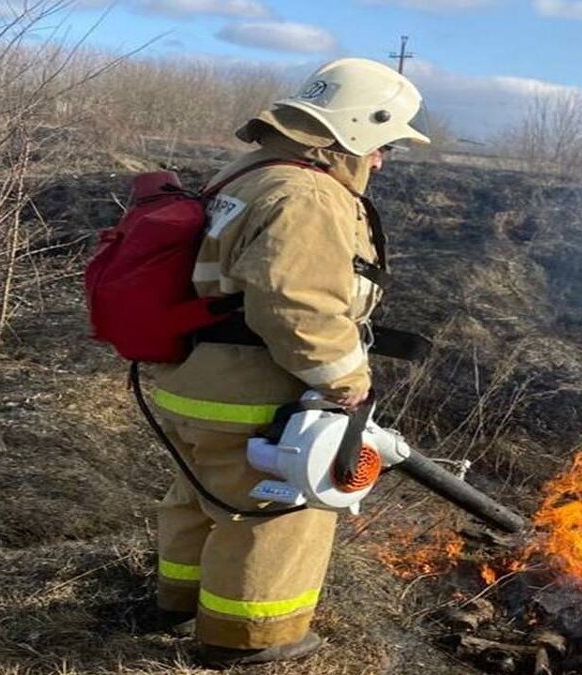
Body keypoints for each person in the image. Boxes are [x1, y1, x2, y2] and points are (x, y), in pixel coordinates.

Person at [148, 57, 430, 667]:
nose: (381, 159)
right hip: (251, 395)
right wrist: (345, 381)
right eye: (382, 144)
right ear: (355, 128)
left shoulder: (248, 173)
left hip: (192, 380)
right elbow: (294, 304)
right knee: (275, 513)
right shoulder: (306, 193)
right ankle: (248, 638)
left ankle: (176, 601)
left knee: (199, 498)